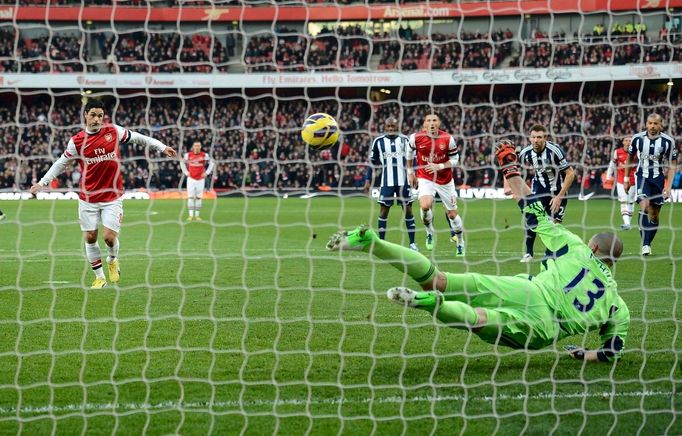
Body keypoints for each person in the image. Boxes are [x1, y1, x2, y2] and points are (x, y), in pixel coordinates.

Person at [326, 140, 629, 363]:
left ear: (593, 246)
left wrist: (511, 171)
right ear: (613, 263)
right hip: (546, 324)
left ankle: (373, 243)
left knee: (440, 279)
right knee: (479, 319)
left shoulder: (575, 247)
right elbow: (612, 349)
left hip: (526, 289)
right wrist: (583, 354)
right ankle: (432, 305)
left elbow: (532, 210)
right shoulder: (617, 302)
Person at [30, 98, 178, 289]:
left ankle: (112, 259)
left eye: (100, 115)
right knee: (90, 237)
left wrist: (162, 147)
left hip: (112, 196)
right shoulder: (76, 141)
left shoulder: (113, 131)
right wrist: (43, 182)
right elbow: (61, 163)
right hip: (88, 198)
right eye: (93, 115)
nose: (97, 119)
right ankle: (99, 278)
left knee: (109, 237)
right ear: (85, 115)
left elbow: (140, 138)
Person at [406, 113, 464, 255]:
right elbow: (408, 154)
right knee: (425, 206)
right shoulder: (416, 138)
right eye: (429, 121)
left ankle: (460, 242)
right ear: (424, 124)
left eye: (434, 120)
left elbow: (455, 159)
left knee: (451, 214)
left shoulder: (447, 139)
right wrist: (410, 172)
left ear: (439, 123)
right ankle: (429, 233)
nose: (432, 123)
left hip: (445, 179)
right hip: (425, 177)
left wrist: (440, 166)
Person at [517, 124, 575, 262]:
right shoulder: (525, 152)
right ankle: (529, 253)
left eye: (539, 137)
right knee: (532, 219)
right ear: (529, 138)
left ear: (545, 138)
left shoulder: (555, 151)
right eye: (533, 137)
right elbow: (512, 168)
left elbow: (570, 173)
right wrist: (507, 186)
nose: (536, 140)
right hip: (539, 189)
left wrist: (559, 196)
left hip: (557, 191)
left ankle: (549, 256)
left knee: (554, 225)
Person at [624, 113, 677, 256]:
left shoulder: (668, 141)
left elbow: (673, 164)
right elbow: (629, 158)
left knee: (654, 215)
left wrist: (668, 186)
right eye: (650, 123)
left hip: (658, 180)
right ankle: (645, 245)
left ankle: (648, 242)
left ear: (661, 125)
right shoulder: (637, 138)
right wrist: (626, 179)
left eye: (655, 124)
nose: (652, 126)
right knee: (644, 204)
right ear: (646, 124)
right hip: (642, 177)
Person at [363, 117, 418, 251]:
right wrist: (367, 179)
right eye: (389, 127)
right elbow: (372, 162)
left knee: (408, 211)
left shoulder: (405, 140)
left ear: (398, 126)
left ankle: (412, 243)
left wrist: (415, 176)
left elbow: (413, 160)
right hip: (386, 182)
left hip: (403, 182)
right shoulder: (378, 142)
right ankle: (381, 243)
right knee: (383, 211)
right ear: (385, 127)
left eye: (393, 127)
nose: (391, 129)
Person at [605, 136, 637, 230]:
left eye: (630, 141)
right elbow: (612, 164)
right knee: (623, 200)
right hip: (620, 181)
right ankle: (626, 223)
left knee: (631, 202)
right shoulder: (617, 152)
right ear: (623, 142)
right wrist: (608, 176)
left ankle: (628, 223)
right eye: (626, 140)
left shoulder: (636, 152)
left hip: (633, 180)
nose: (628, 142)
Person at [180, 140, 214, 222]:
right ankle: (191, 215)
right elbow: (182, 162)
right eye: (195, 145)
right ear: (193, 146)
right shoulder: (188, 155)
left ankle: (197, 216)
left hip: (200, 179)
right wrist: (185, 172)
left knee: (199, 197)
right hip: (191, 179)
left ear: (200, 146)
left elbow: (212, 163)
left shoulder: (204, 155)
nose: (197, 147)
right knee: (190, 197)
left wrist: (207, 173)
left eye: (198, 146)